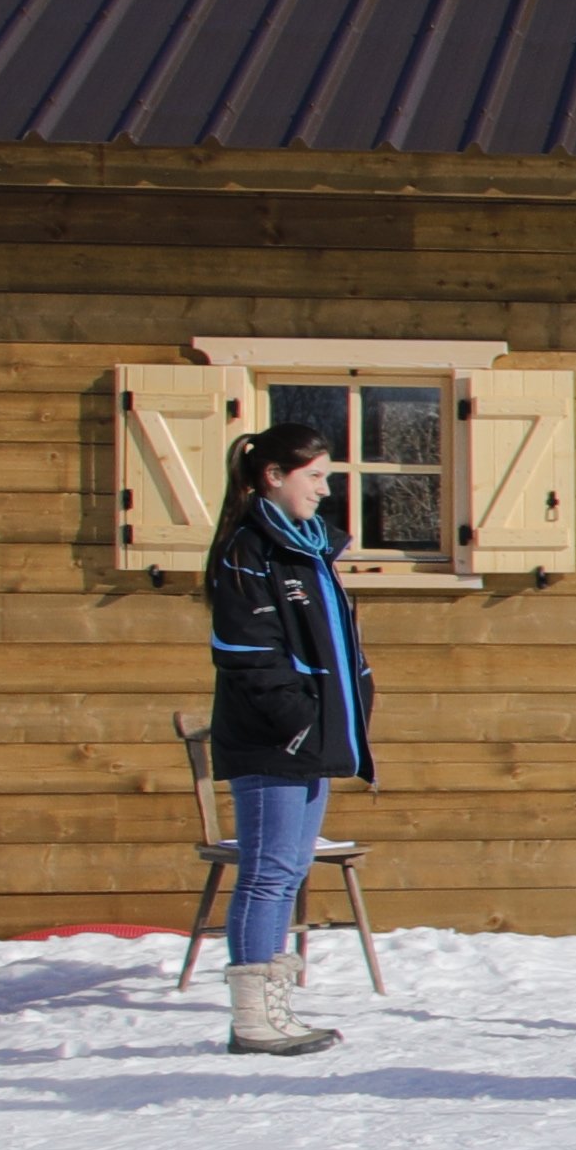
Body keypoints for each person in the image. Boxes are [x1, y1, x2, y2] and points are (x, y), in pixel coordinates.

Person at [202, 415, 371, 1059]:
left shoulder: (307, 548)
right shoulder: (249, 549)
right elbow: (247, 652)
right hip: (273, 740)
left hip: (310, 739)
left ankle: (273, 1008)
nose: (326, 489)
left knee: (289, 868)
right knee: (268, 872)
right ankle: (253, 1019)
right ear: (273, 476)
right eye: (315, 476)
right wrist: (299, 722)